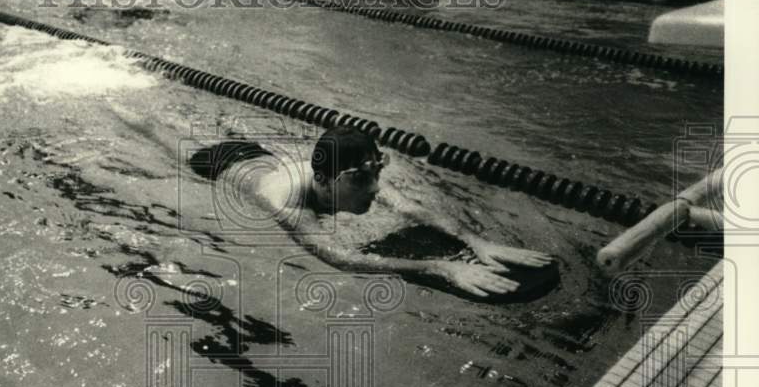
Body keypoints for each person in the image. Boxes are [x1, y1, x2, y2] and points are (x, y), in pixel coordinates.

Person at [190, 125, 554, 299]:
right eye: (362, 179)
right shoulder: (287, 202)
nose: (376, 188)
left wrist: (477, 242)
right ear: (324, 180)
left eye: (377, 172)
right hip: (214, 165)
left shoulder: (356, 170)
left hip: (258, 151)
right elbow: (339, 258)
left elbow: (412, 208)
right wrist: (440, 265)